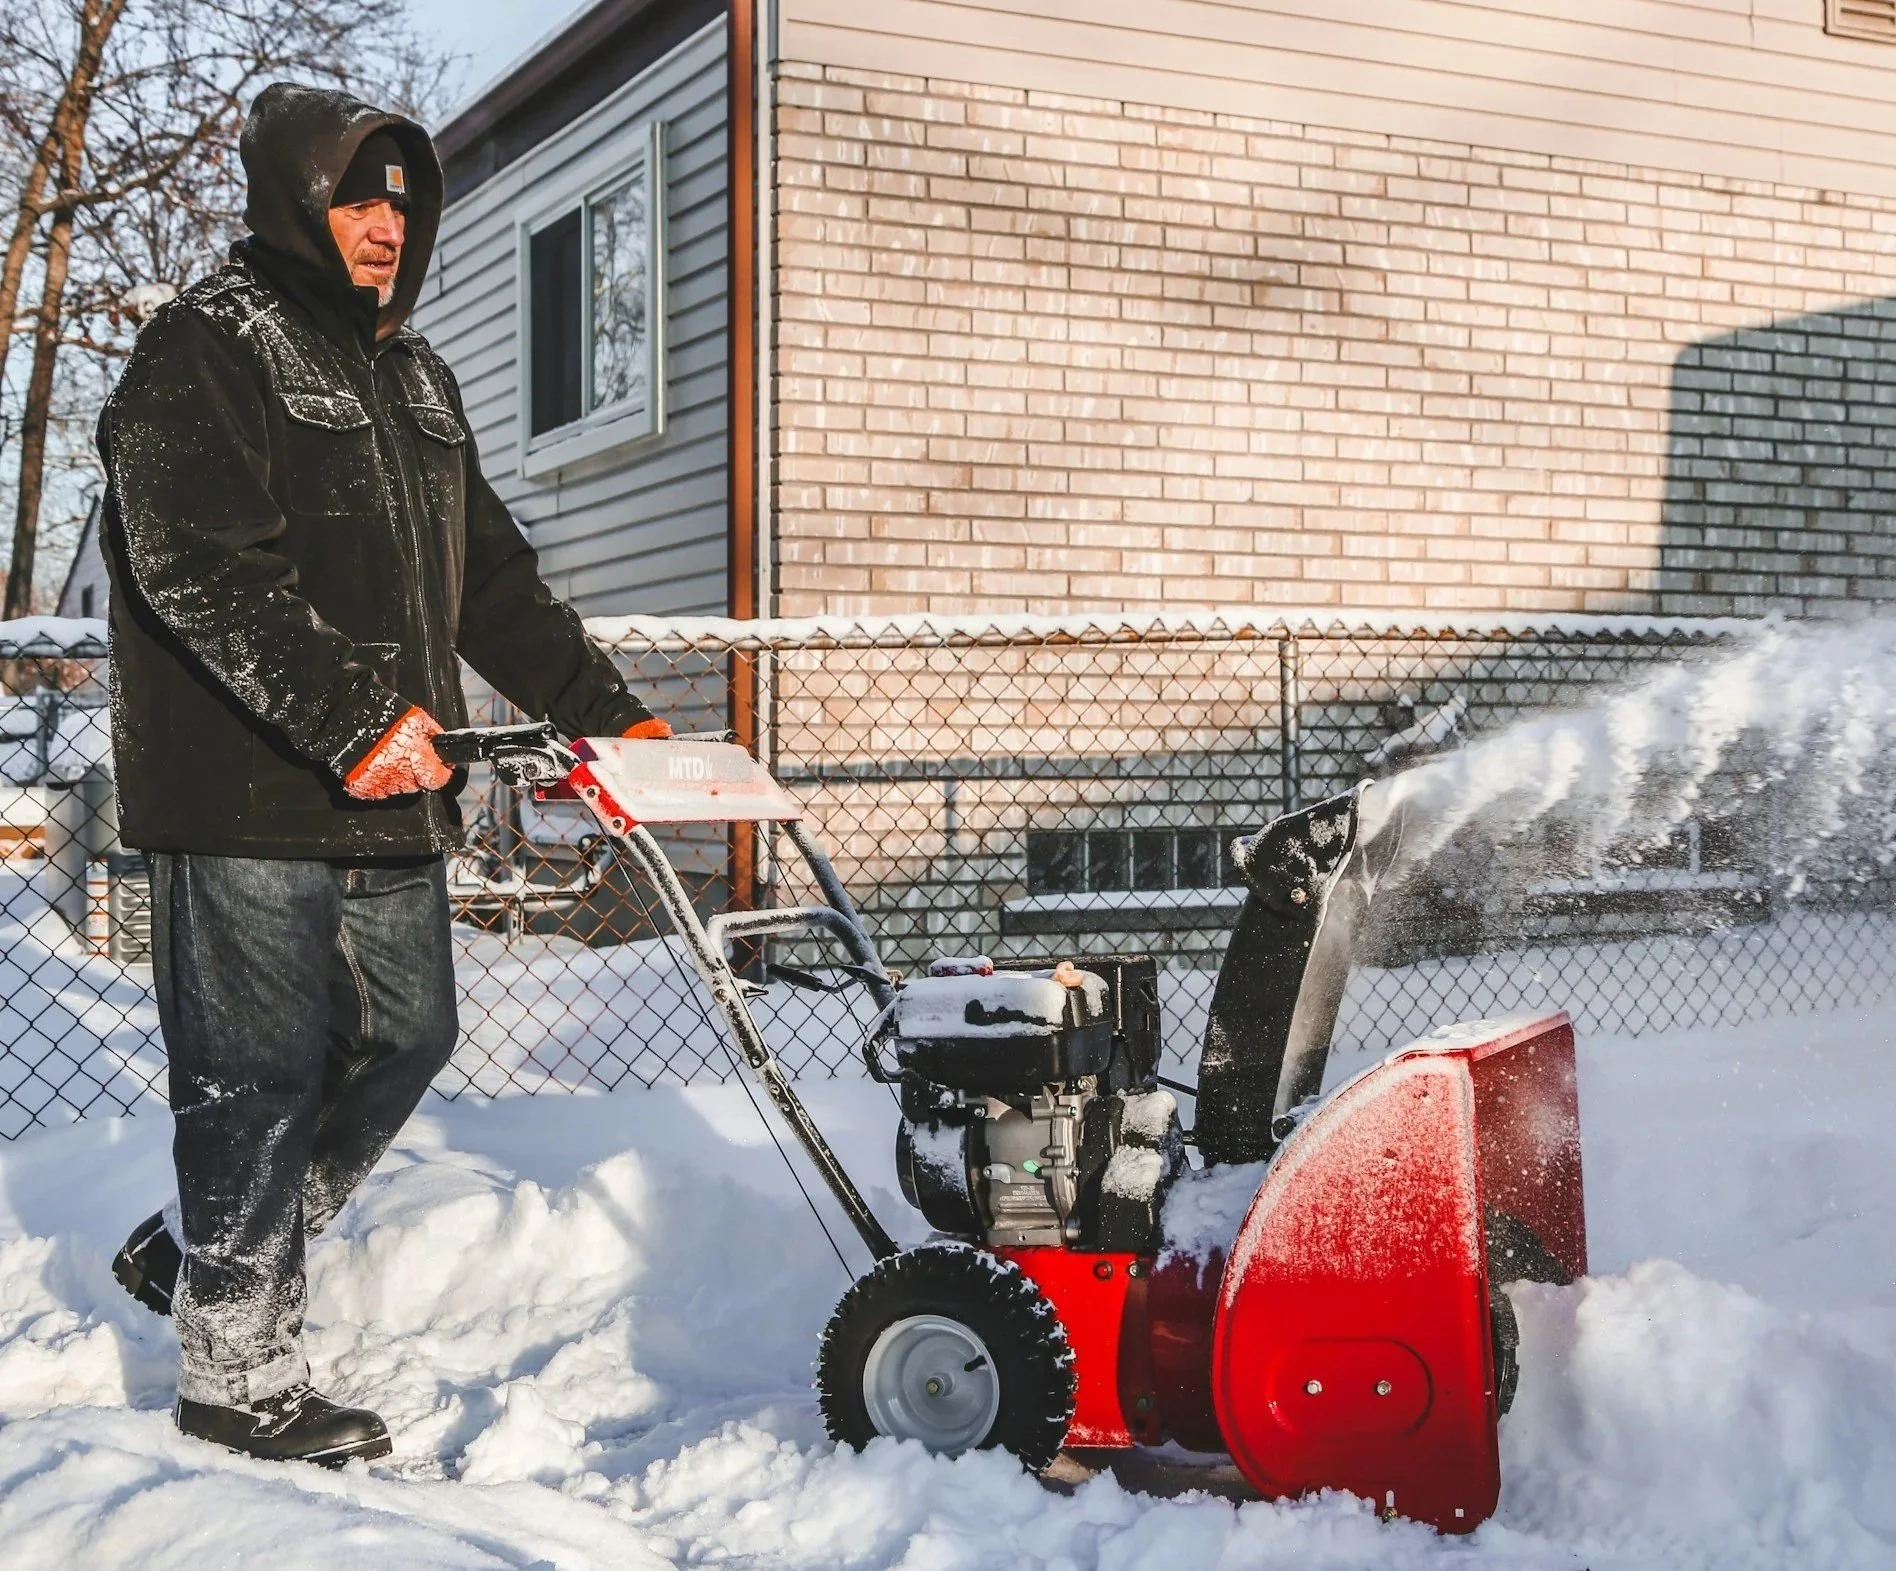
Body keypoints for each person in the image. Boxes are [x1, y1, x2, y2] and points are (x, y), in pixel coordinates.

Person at [96, 82, 668, 1466]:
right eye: (359, 197)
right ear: (296, 197)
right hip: (248, 791)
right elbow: (197, 565)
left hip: (395, 794)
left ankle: (207, 1254)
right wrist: (352, 713)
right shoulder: (204, 347)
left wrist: (613, 718)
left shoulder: (418, 377)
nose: (385, 228)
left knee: (408, 1034)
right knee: (255, 1072)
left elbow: (496, 587)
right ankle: (235, 1372)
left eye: (405, 204)